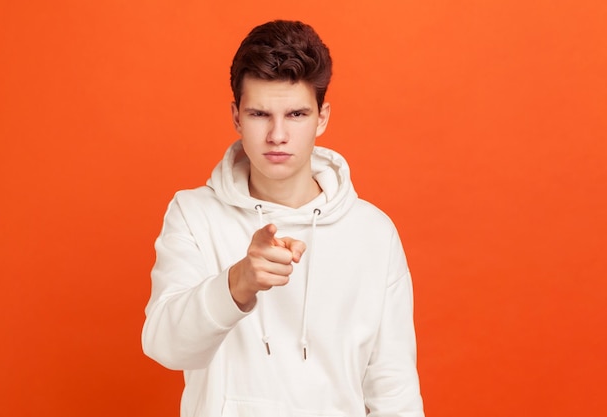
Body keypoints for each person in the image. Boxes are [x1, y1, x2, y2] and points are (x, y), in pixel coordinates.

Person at [142, 19, 425, 417]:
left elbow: (393, 388)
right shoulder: (194, 213)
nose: (277, 135)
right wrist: (237, 283)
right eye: (260, 114)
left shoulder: (372, 232)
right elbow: (166, 347)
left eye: (295, 114)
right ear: (237, 117)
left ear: (321, 118)